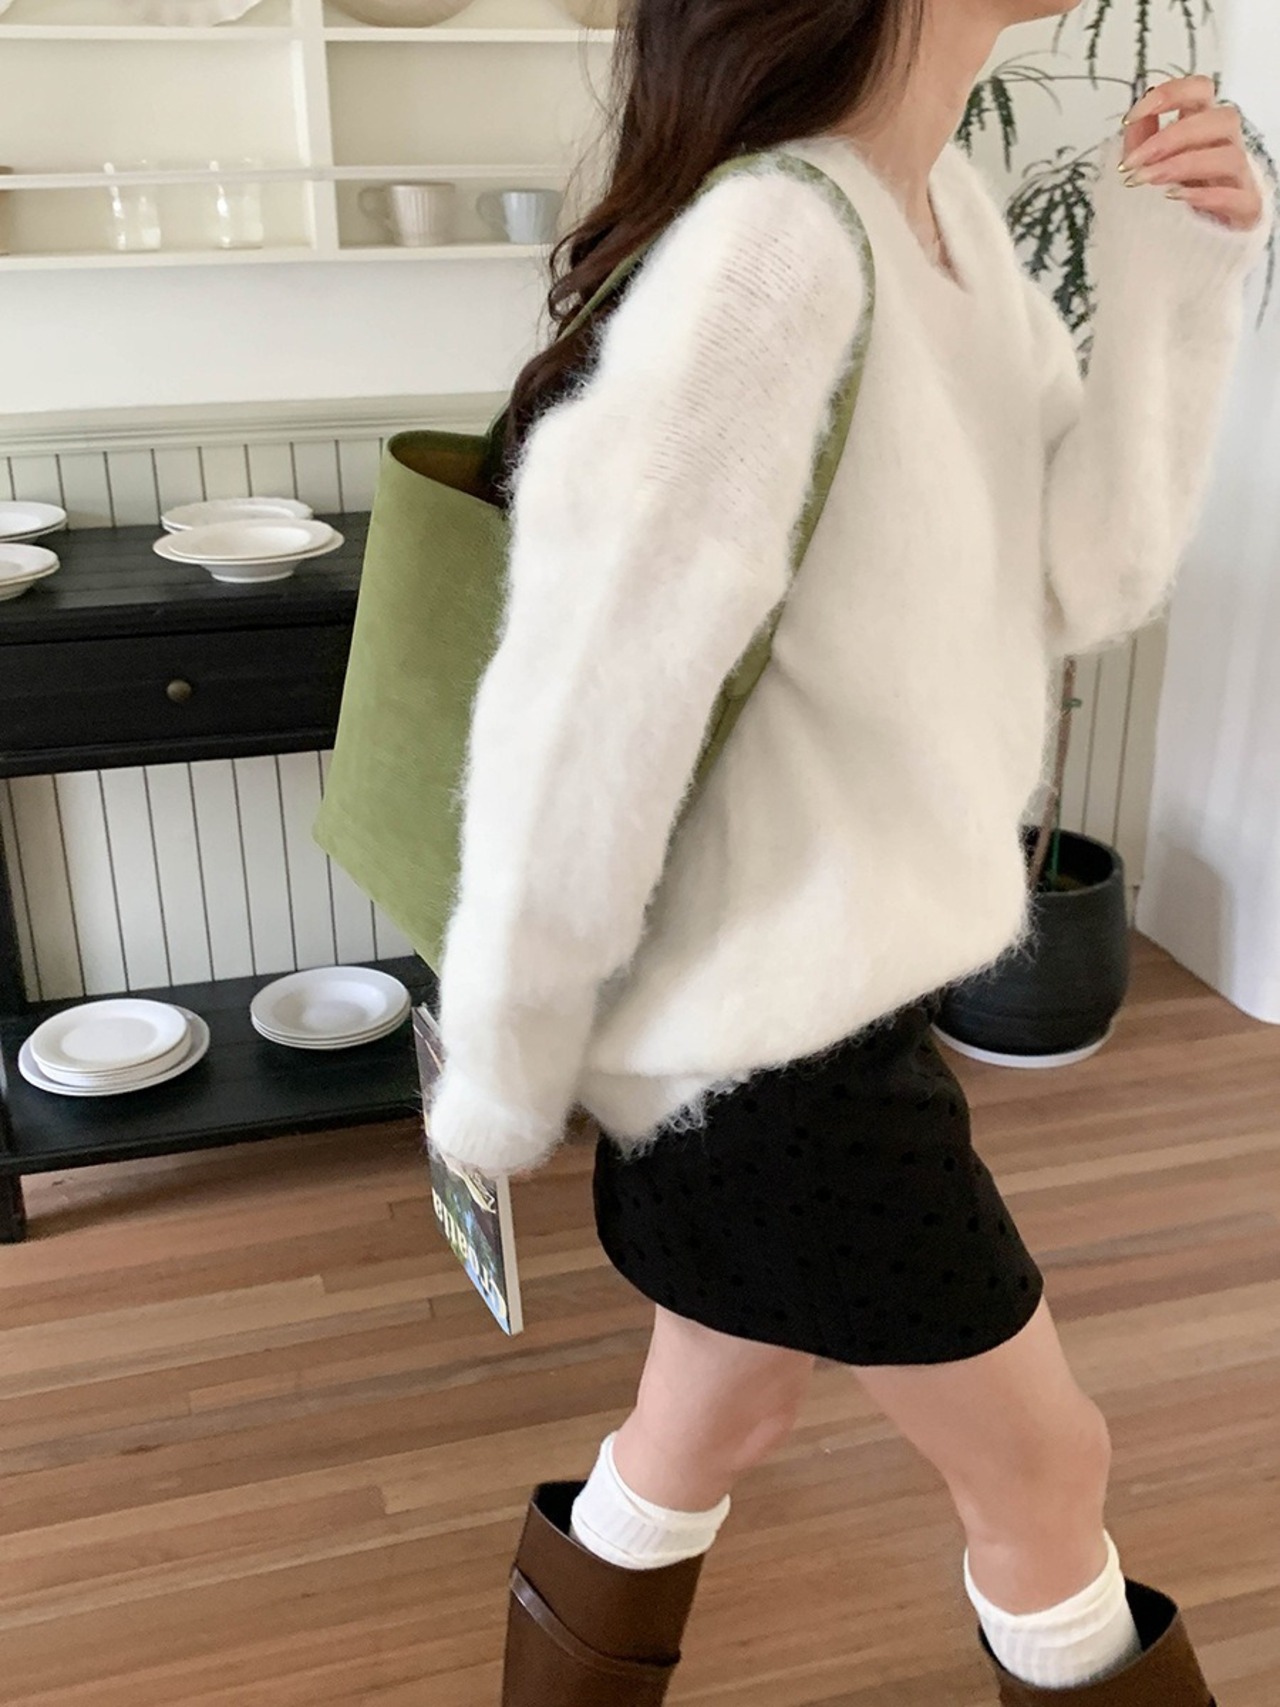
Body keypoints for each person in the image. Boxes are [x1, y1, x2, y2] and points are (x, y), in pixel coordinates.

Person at [428, 1, 1269, 1701]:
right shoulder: (774, 252)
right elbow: (583, 710)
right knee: (1046, 1470)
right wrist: (504, 1065)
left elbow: (1091, 576)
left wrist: (1179, 271)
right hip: (763, 1053)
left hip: (834, 1004)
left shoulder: (939, 216)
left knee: (710, 1416)